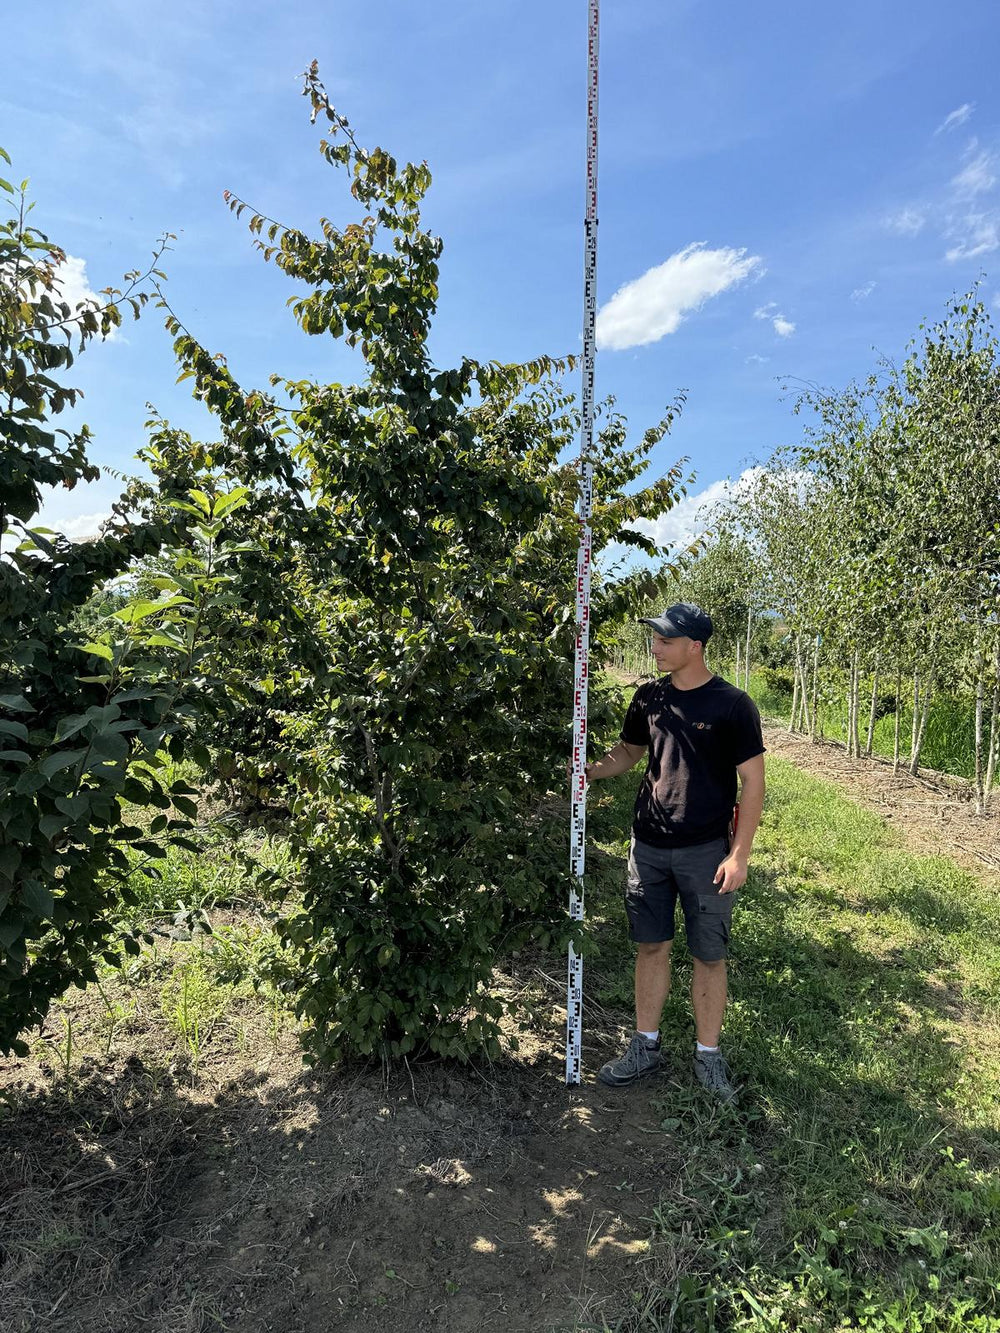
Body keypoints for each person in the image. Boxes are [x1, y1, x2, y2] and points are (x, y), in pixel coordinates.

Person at [584, 602, 765, 1101]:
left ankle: (708, 1057)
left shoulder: (732, 705)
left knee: (708, 955)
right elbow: (629, 753)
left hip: (706, 852)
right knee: (651, 945)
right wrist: (588, 770)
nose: (656, 647)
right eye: (655, 639)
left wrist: (740, 854)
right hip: (648, 847)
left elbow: (753, 782)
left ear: (695, 646)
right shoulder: (649, 698)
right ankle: (646, 1044)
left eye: (665, 640)